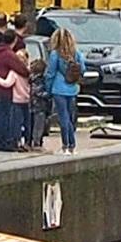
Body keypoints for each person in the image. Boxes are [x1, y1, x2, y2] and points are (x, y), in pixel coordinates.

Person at [44, 20, 83, 151]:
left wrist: (48, 89)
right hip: (73, 88)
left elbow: (50, 73)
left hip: (58, 89)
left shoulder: (55, 54)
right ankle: (72, 144)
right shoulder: (77, 54)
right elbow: (83, 69)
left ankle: (66, 144)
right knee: (70, 117)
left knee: (63, 117)